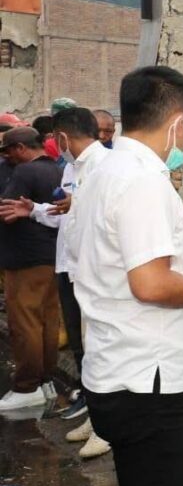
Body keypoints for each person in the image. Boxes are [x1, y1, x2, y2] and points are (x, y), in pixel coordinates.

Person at [67, 65, 183, 486]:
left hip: (116, 367)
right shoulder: (142, 181)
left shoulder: (103, 173)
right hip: (147, 380)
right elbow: (150, 284)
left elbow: (117, 263)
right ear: (178, 124)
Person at [0, 108, 113, 457]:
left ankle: (107, 426)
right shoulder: (70, 169)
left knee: (100, 346)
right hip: (68, 265)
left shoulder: (106, 169)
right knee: (81, 345)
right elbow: (62, 217)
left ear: (62, 137)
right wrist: (33, 209)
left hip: (94, 270)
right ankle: (95, 414)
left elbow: (104, 218)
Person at [0, 126, 63, 411]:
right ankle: (46, 379)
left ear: (21, 149)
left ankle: (27, 386)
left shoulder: (25, 172)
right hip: (51, 256)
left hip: (25, 259)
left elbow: (7, 210)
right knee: (47, 322)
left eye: (9, 151)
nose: (8, 158)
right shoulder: (58, 170)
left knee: (24, 324)